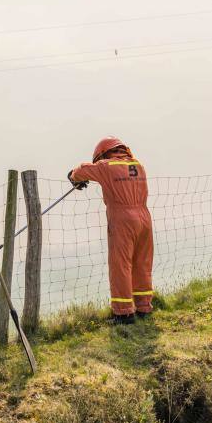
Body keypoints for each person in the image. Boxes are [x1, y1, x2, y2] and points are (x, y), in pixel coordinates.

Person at [68, 136, 154, 325]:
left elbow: (82, 170)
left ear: (103, 154)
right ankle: (144, 307)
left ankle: (123, 313)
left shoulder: (106, 166)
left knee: (121, 265)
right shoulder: (138, 165)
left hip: (122, 219)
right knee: (142, 263)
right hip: (144, 217)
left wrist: (73, 177)